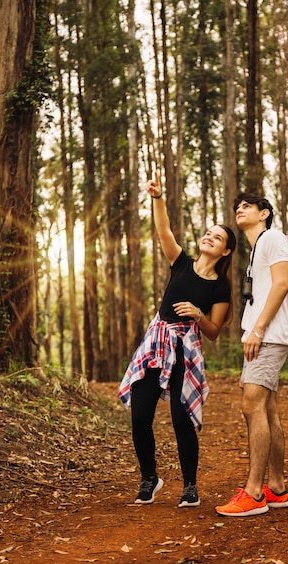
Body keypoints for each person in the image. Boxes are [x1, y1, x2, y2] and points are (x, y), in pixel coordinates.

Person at [119, 172, 236, 508]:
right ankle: (149, 478)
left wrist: (198, 314)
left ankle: (189, 486)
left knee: (181, 418)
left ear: (226, 250)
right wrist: (158, 198)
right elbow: (163, 230)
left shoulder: (219, 287)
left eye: (218, 237)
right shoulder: (181, 263)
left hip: (185, 349)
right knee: (140, 416)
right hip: (156, 344)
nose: (210, 237)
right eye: (208, 232)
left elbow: (214, 331)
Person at [215, 192, 288, 517]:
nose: (239, 209)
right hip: (263, 336)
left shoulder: (273, 238)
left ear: (264, 213)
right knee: (268, 409)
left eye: (247, 206)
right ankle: (276, 487)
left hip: (269, 335)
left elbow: (281, 285)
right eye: (237, 206)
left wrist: (259, 330)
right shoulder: (259, 248)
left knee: (252, 406)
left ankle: (253, 493)